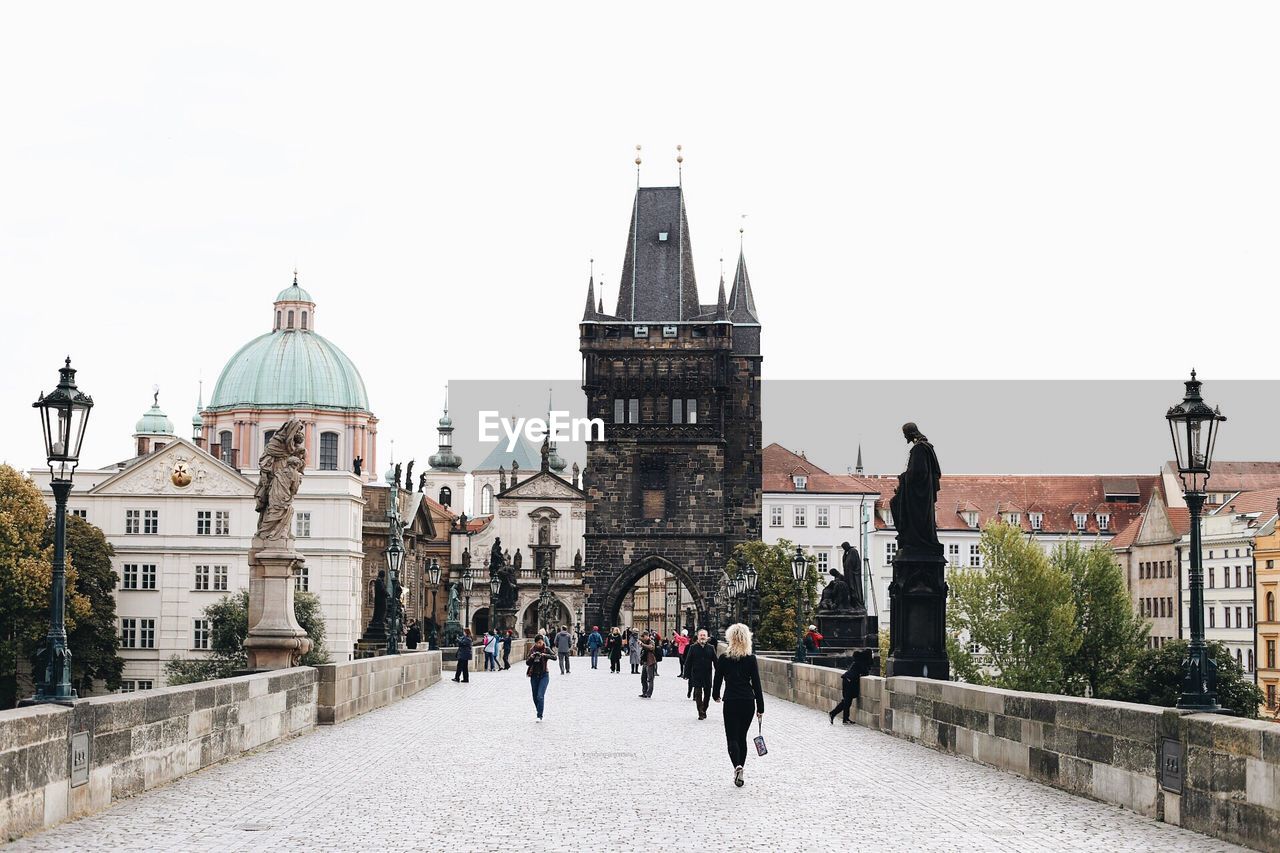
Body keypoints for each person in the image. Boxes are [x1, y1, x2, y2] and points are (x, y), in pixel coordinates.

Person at [713, 623, 765, 788]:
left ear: (730, 638)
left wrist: (715, 694)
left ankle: (737, 766)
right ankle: (741, 766)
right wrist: (760, 707)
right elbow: (756, 684)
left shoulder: (724, 658)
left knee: (732, 737)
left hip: (731, 701)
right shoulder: (750, 658)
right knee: (742, 736)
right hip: (748, 702)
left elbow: (717, 679)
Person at [829, 649, 875, 725]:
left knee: (847, 701)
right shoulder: (861, 662)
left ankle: (840, 717)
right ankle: (838, 716)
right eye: (872, 654)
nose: (873, 655)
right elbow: (865, 672)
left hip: (848, 680)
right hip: (849, 680)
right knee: (847, 701)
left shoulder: (859, 661)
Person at [685, 628, 716, 720]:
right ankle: (700, 712)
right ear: (698, 637)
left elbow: (716, 661)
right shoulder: (692, 647)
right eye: (701, 635)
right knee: (698, 694)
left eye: (704, 635)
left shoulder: (711, 648)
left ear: (707, 637)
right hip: (696, 674)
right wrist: (686, 674)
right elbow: (688, 662)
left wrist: (720, 673)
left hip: (707, 674)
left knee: (707, 694)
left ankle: (704, 709)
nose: (702, 637)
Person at [525, 635, 554, 721]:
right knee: (535, 697)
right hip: (534, 675)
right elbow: (527, 663)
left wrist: (545, 655)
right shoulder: (532, 650)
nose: (540, 644)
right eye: (538, 643)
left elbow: (554, 657)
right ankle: (539, 710)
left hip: (544, 675)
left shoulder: (546, 649)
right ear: (535, 643)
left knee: (540, 696)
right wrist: (532, 657)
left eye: (541, 642)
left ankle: (539, 715)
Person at [638, 631, 657, 698]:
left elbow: (651, 647)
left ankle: (649, 693)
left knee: (650, 679)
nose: (642, 638)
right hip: (645, 662)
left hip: (650, 662)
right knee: (643, 678)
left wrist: (642, 644)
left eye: (643, 637)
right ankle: (644, 692)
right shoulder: (644, 642)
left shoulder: (651, 641)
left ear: (647, 636)